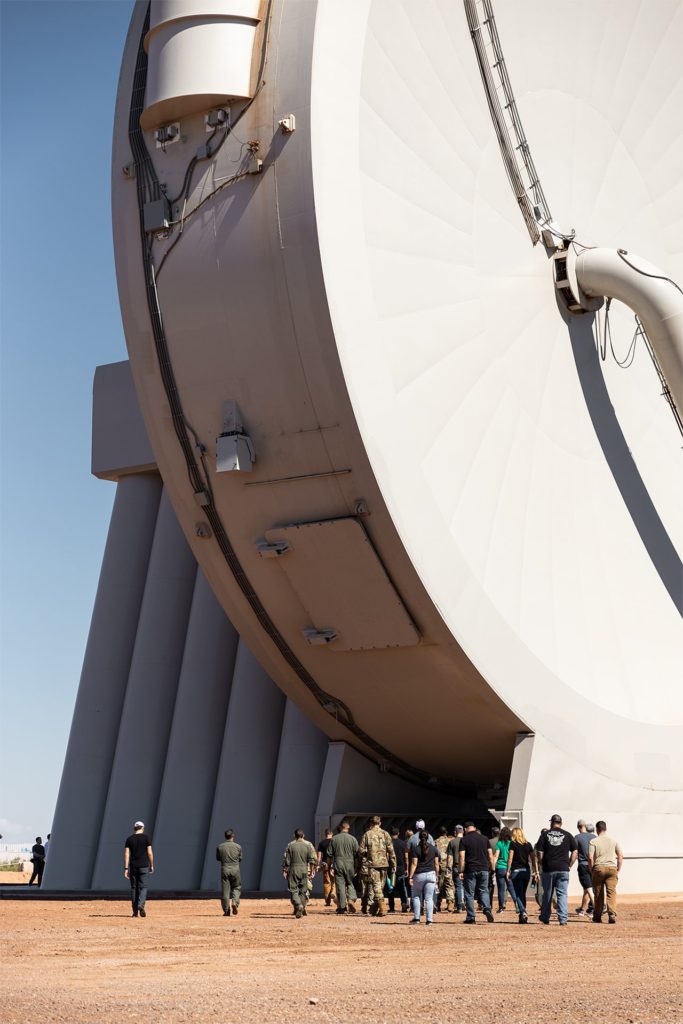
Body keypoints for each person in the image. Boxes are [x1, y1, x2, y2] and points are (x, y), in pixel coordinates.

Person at [535, 813, 578, 926]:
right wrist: (570, 864)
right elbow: (575, 851)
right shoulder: (568, 835)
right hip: (563, 869)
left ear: (551, 823)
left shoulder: (545, 835)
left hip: (549, 869)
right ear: (561, 823)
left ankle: (545, 917)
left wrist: (542, 863)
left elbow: (539, 852)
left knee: (547, 893)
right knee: (562, 894)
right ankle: (563, 919)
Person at [358, 815, 396, 917]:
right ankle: (375, 909)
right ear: (380, 823)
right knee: (380, 887)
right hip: (384, 864)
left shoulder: (367, 834)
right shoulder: (385, 834)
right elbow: (391, 850)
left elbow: (360, 850)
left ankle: (381, 908)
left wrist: (367, 854)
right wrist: (393, 864)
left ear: (371, 823)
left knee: (376, 887)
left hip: (372, 864)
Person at [458, 822, 495, 924]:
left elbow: (461, 857)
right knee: (484, 890)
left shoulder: (464, 840)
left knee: (469, 893)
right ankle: (487, 908)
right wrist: (492, 868)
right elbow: (490, 855)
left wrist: (460, 870)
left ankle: (471, 917)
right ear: (474, 828)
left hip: (470, 869)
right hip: (484, 869)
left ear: (465, 829)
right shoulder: (484, 838)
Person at [589, 821, 623, 925]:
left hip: (599, 868)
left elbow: (590, 857)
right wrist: (618, 869)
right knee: (611, 892)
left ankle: (597, 916)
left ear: (597, 829)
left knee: (598, 893)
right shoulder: (614, 841)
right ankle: (612, 915)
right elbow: (620, 855)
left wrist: (591, 869)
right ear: (606, 829)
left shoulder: (593, 841)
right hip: (612, 868)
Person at [283, 828, 317, 918]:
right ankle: (301, 906)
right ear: (303, 835)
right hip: (305, 869)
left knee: (293, 889)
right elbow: (313, 860)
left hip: (293, 869)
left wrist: (285, 870)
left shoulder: (290, 845)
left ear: (294, 836)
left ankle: (298, 905)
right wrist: (312, 871)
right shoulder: (308, 845)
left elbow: (286, 860)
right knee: (303, 890)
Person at [408, 830, 439, 925]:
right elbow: (437, 864)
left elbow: (414, 864)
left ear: (419, 838)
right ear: (429, 837)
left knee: (416, 896)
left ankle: (417, 918)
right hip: (431, 874)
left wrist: (410, 877)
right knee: (429, 898)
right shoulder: (434, 849)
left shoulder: (416, 849)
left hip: (419, 875)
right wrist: (437, 875)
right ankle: (429, 920)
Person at [124, 821, 154, 918]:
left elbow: (126, 854)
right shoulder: (146, 838)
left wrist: (126, 868)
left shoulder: (129, 839)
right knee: (143, 887)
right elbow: (150, 853)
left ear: (134, 828)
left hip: (133, 867)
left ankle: (134, 912)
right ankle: (141, 904)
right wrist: (152, 865)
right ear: (143, 828)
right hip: (144, 866)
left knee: (134, 888)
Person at [507, 826, 536, 923]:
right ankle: (522, 916)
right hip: (526, 871)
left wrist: (507, 870)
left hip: (516, 871)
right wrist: (535, 870)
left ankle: (523, 912)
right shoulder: (528, 844)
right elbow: (533, 859)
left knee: (518, 894)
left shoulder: (513, 844)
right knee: (522, 893)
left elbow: (510, 858)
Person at [329, 821, 359, 915]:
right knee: (350, 882)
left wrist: (331, 866)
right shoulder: (353, 839)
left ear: (340, 828)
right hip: (350, 863)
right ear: (347, 828)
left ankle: (342, 907)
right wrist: (357, 866)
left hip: (338, 863)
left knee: (340, 885)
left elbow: (329, 854)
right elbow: (357, 854)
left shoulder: (334, 839)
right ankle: (351, 899)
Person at [493, 826, 522, 915]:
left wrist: (493, 867)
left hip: (500, 868)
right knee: (511, 888)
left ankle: (501, 907)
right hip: (509, 868)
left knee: (501, 889)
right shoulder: (512, 843)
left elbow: (496, 856)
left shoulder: (499, 843)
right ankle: (516, 903)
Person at [216, 828, 242, 917]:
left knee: (225, 891)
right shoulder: (238, 846)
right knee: (236, 887)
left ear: (225, 837)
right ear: (233, 836)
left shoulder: (220, 847)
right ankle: (235, 902)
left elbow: (218, 858)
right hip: (235, 869)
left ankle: (226, 910)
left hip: (225, 869)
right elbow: (240, 859)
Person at [574, 820, 596, 916]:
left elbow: (575, 853)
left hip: (583, 865)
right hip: (594, 865)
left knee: (588, 888)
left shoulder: (577, 837)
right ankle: (582, 909)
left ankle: (597, 907)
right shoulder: (594, 837)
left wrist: (570, 864)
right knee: (587, 888)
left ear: (579, 827)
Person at [388, 827, 410, 913]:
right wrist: (407, 868)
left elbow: (387, 856)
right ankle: (404, 904)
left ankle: (392, 907)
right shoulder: (403, 843)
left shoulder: (389, 843)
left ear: (390, 834)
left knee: (391, 888)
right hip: (401, 869)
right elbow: (406, 857)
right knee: (402, 888)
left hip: (392, 869)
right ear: (398, 833)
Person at [434, 826, 455, 912]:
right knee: (449, 885)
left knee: (439, 886)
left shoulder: (435, 842)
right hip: (448, 865)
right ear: (446, 832)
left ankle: (438, 904)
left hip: (439, 866)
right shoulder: (451, 841)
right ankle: (450, 904)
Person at [446, 825, 465, 912]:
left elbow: (449, 857)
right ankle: (466, 904)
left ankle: (459, 906)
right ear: (463, 831)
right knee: (468, 886)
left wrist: (448, 868)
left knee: (458, 886)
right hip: (468, 866)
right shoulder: (467, 841)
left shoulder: (452, 842)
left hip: (457, 866)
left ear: (455, 832)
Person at [317, 829, 335, 907]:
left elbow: (319, 856)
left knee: (326, 882)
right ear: (332, 834)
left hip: (325, 864)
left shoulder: (321, 843)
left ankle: (327, 902)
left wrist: (318, 865)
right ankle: (333, 892)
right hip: (333, 864)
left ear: (325, 834)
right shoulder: (334, 842)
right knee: (335, 880)